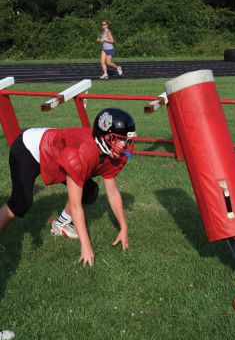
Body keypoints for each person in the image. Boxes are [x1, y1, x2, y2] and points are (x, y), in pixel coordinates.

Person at [0, 108, 136, 268]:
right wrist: (85, 245)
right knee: (21, 203)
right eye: (119, 139)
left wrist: (123, 226)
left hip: (57, 151)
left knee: (89, 192)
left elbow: (112, 191)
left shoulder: (111, 153)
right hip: (29, 148)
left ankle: (60, 225)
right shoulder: (84, 153)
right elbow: (75, 204)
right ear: (105, 137)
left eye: (127, 140)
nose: (125, 145)